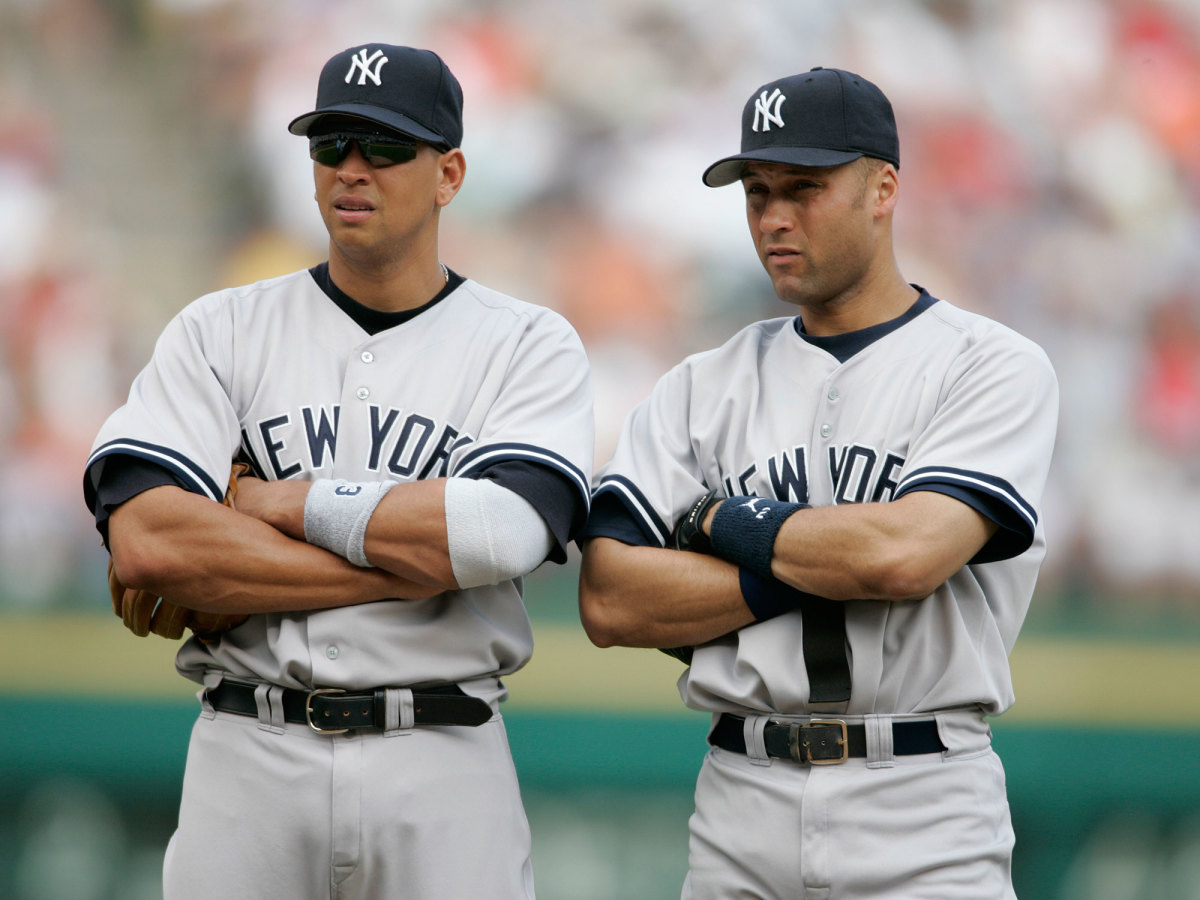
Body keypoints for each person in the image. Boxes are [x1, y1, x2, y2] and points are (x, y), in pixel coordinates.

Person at [83, 43, 593, 900]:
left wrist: (270, 504)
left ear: (449, 173)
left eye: (386, 147)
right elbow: (147, 542)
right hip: (250, 749)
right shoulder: (222, 329)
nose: (352, 169)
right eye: (332, 145)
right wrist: (408, 566)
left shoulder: (526, 343)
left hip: (442, 752)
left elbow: (499, 532)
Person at [578, 66, 1057, 899]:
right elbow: (613, 600)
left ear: (883, 188)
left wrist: (716, 520)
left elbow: (905, 557)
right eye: (758, 191)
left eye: (805, 187)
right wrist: (819, 559)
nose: (774, 217)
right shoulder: (700, 385)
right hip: (741, 798)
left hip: (923, 799)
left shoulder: (990, 364)